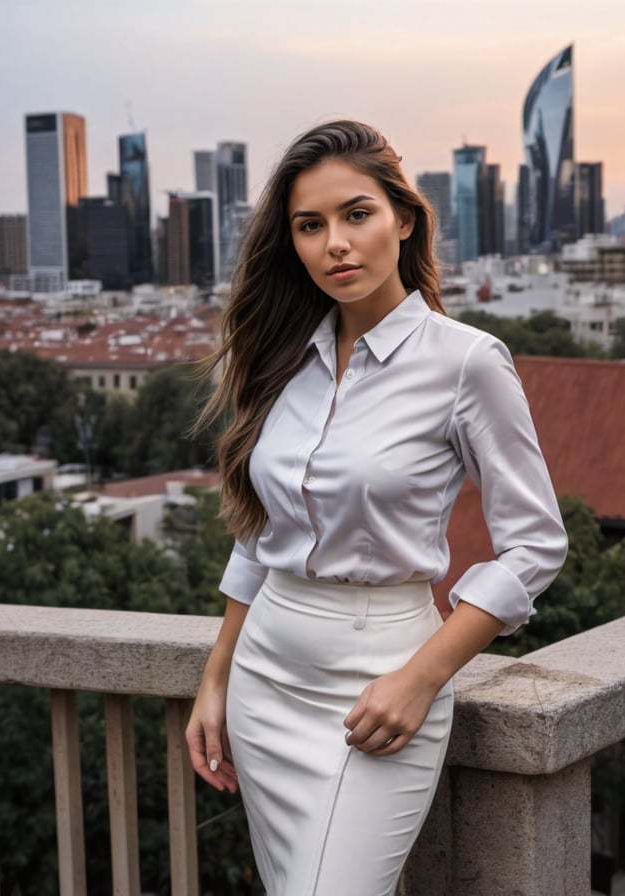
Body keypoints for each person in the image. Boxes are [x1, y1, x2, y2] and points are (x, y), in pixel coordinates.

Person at [185, 119, 568, 896]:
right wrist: (216, 677)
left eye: (356, 214)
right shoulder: (284, 359)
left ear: (403, 216)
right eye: (310, 225)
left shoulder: (466, 361)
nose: (336, 243)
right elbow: (261, 534)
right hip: (266, 679)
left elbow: (534, 547)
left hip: (382, 677)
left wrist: (423, 677)